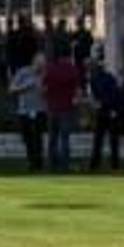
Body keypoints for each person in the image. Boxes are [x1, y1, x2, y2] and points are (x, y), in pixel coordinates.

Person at [42, 45, 84, 173]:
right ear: (69, 55)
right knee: (64, 138)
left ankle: (51, 164)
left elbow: (43, 88)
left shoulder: (50, 69)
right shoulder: (73, 70)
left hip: (52, 107)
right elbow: (78, 91)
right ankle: (64, 165)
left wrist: (48, 99)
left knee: (52, 138)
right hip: (66, 108)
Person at [8, 50, 47, 171]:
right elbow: (11, 89)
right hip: (24, 111)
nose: (42, 65)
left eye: (43, 63)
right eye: (40, 62)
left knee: (38, 138)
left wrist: (44, 89)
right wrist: (26, 86)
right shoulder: (23, 72)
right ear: (34, 61)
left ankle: (38, 164)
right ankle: (31, 162)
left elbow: (49, 91)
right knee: (28, 138)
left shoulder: (46, 74)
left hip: (40, 110)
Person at [87, 55, 124, 171]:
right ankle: (97, 164)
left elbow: (114, 96)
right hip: (103, 111)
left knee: (110, 139)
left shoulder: (107, 78)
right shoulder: (94, 79)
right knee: (100, 139)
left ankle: (113, 164)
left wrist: (111, 109)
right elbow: (97, 96)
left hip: (111, 111)